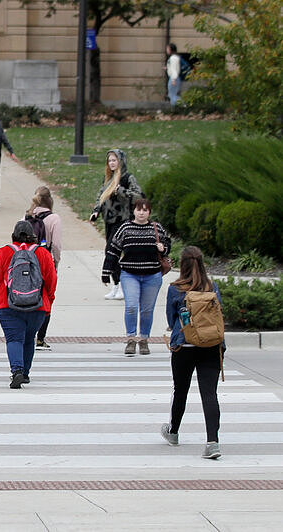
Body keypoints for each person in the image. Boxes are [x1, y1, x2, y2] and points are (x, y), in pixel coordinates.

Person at [161, 246, 224, 459]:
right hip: (212, 346)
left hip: (184, 346)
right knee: (209, 393)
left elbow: (171, 320)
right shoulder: (212, 286)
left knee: (181, 389)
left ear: (183, 264)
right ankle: (212, 442)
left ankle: (174, 432)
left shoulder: (175, 289)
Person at [0, 221, 57, 389]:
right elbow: (51, 280)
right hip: (37, 306)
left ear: (13, 235)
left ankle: (16, 371)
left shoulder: (4, 252)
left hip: (8, 304)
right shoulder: (42, 253)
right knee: (28, 339)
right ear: (33, 235)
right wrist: (49, 301)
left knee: (14, 339)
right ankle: (25, 373)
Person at [103, 197, 170, 356]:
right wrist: (106, 271)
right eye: (139, 209)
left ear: (149, 212)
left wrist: (163, 248)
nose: (141, 213)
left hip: (152, 275)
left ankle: (144, 339)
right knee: (132, 307)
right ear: (133, 211)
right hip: (129, 274)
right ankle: (131, 339)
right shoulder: (125, 228)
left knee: (147, 310)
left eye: (145, 210)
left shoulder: (157, 228)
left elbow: (167, 246)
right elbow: (113, 250)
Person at [90, 149, 143, 299]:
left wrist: (120, 190)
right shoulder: (108, 179)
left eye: (114, 160)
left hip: (123, 221)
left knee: (112, 252)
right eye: (110, 161)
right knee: (110, 253)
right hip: (109, 221)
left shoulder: (127, 178)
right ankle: (116, 285)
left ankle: (122, 286)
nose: (112, 163)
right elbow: (101, 196)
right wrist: (96, 211)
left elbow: (138, 195)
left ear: (121, 161)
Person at [26, 186, 62, 350]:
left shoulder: (26, 216)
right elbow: (56, 245)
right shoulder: (54, 218)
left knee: (26, 295)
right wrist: (56, 263)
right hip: (46, 262)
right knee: (46, 298)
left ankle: (27, 334)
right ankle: (40, 338)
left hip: (27, 262)